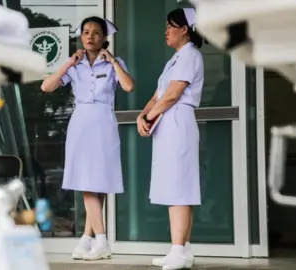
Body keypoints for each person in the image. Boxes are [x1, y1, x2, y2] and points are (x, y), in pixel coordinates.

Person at [41, 16, 134, 261]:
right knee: (86, 180)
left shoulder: (113, 63)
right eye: (85, 32)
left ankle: (96, 240)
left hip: (103, 122)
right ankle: (92, 239)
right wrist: (68, 64)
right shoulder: (76, 64)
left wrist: (113, 61)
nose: (90, 36)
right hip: (81, 123)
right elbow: (46, 87)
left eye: (95, 32)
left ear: (104, 38)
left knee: (97, 181)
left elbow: (128, 86)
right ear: (81, 37)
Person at [136, 8, 204, 270]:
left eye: (170, 26)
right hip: (167, 123)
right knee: (174, 185)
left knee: (180, 188)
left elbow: (173, 95)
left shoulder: (190, 55)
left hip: (178, 122)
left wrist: (150, 118)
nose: (165, 31)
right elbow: (158, 95)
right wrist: (143, 115)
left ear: (184, 29)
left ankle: (179, 249)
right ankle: (182, 250)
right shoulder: (174, 60)